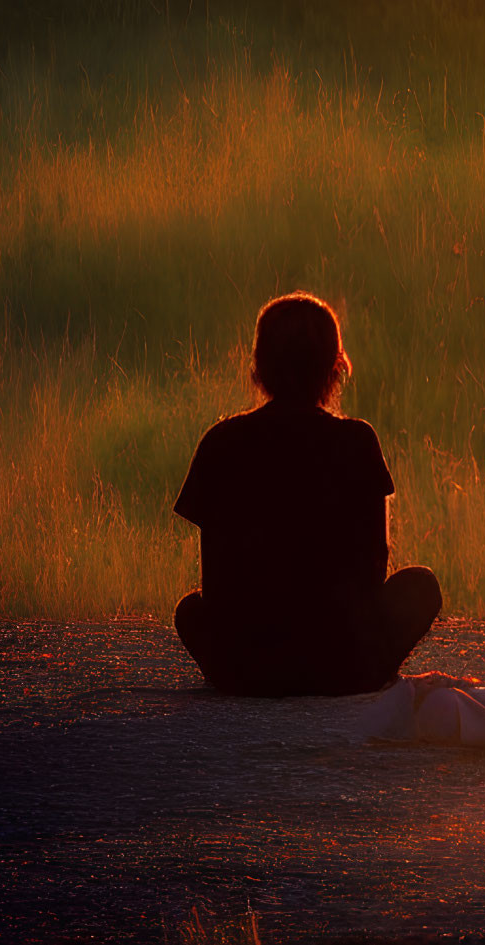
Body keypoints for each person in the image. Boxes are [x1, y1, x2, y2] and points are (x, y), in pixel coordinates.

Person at [173, 292, 442, 697]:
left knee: (190, 610)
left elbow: (216, 581)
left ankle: (247, 677)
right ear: (336, 368)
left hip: (248, 670)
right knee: (421, 586)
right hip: (342, 667)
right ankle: (365, 677)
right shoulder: (357, 440)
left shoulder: (221, 442)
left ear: (259, 367)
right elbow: (375, 563)